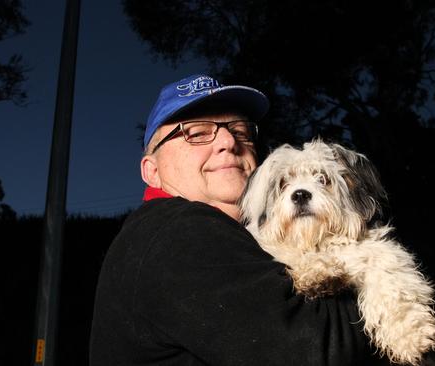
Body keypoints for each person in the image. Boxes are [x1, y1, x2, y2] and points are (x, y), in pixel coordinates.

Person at [89, 74, 378, 365]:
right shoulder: (180, 231)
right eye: (197, 133)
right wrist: (380, 279)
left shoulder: (166, 235)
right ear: (152, 171)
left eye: (240, 131)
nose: (229, 141)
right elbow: (318, 348)